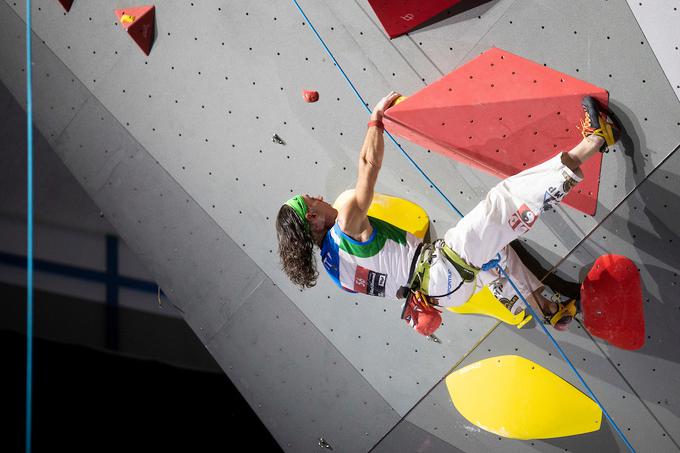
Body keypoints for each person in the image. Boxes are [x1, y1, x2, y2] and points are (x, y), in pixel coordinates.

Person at [276, 91, 618, 335]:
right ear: (313, 219)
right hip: (440, 269)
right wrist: (375, 121)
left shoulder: (336, 272)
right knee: (503, 202)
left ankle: (550, 310)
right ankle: (596, 139)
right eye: (312, 200)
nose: (320, 197)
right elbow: (368, 165)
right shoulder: (345, 222)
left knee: (496, 254)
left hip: (442, 295)